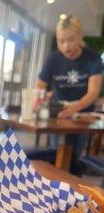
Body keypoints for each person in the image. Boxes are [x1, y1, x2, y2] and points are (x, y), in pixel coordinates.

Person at [36, 15, 103, 174]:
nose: (66, 46)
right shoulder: (53, 58)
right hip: (58, 115)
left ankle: (72, 187)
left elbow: (93, 93)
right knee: (56, 153)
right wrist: (42, 97)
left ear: (80, 36)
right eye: (61, 41)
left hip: (82, 116)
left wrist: (73, 110)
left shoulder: (93, 58)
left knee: (74, 156)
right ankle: (55, 186)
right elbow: (39, 87)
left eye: (71, 40)